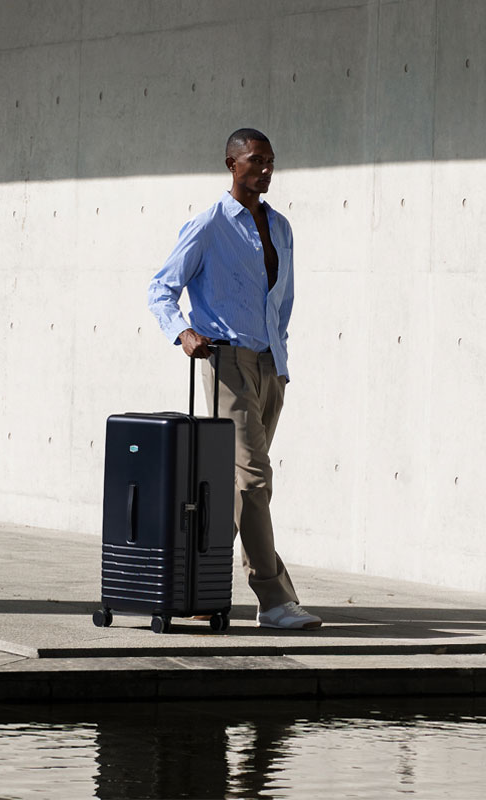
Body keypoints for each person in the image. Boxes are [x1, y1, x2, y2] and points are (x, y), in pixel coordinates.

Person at [146, 128, 322, 631]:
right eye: (256, 160)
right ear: (231, 163)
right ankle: (274, 599)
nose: (265, 169)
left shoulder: (281, 226)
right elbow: (161, 288)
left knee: (232, 487)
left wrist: (279, 362)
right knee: (253, 479)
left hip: (271, 365)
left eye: (270, 161)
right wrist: (182, 332)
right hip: (227, 362)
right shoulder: (208, 226)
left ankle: (201, 589)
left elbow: (281, 302)